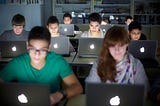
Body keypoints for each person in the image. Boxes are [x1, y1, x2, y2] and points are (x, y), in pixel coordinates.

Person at [0, 26, 83, 105]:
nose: (37, 54)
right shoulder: (17, 63)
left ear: (49, 48)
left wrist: (59, 95)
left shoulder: (57, 61)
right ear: (27, 45)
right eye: (32, 49)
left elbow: (77, 87)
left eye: (42, 50)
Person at [85, 26, 149, 94]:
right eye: (112, 46)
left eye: (121, 45)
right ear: (107, 46)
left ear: (127, 44)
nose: (117, 50)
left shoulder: (136, 64)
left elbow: (144, 91)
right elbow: (90, 88)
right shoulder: (99, 63)